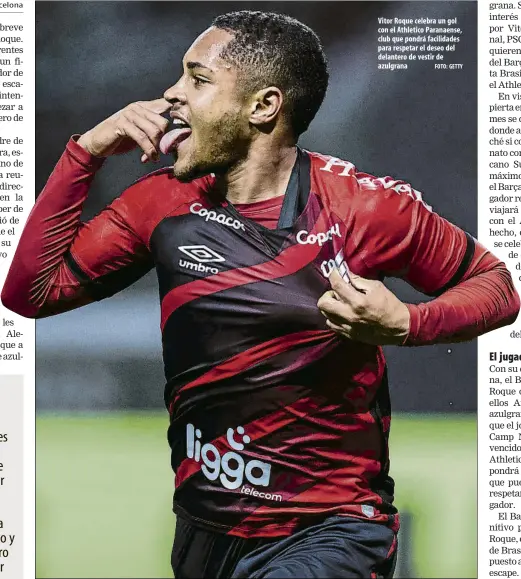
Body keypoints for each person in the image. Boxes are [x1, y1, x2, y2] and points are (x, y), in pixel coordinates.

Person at [2, 10, 519, 579]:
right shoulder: (160, 205)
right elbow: (31, 292)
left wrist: (409, 323)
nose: (171, 96)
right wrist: (88, 151)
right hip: (206, 531)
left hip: (331, 531)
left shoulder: (364, 207)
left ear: (262, 107)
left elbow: (496, 286)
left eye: (197, 80)